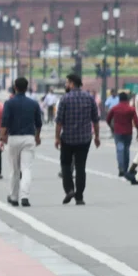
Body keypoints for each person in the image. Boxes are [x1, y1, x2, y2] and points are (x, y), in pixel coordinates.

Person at [55, 74, 100, 205]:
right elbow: (95, 120)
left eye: (67, 83)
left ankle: (69, 189)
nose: (66, 85)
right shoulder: (89, 98)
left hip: (67, 138)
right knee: (80, 167)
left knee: (65, 164)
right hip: (84, 139)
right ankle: (79, 197)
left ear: (72, 83)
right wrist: (97, 136)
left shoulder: (65, 99)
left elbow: (59, 121)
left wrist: (57, 137)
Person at [0, 77, 42, 207]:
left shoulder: (9, 103)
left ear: (15, 87)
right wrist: (37, 136)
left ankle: (13, 197)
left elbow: (5, 122)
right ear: (26, 88)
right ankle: (25, 197)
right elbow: (38, 123)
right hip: (29, 138)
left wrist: (1, 138)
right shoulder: (33, 103)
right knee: (26, 168)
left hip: (13, 138)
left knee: (14, 170)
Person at [106, 92, 138, 177]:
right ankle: (125, 169)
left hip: (118, 132)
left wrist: (112, 128)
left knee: (120, 150)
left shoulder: (114, 108)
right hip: (128, 132)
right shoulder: (131, 109)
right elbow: (136, 122)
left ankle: (121, 168)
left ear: (119, 99)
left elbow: (108, 119)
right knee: (127, 150)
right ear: (127, 99)